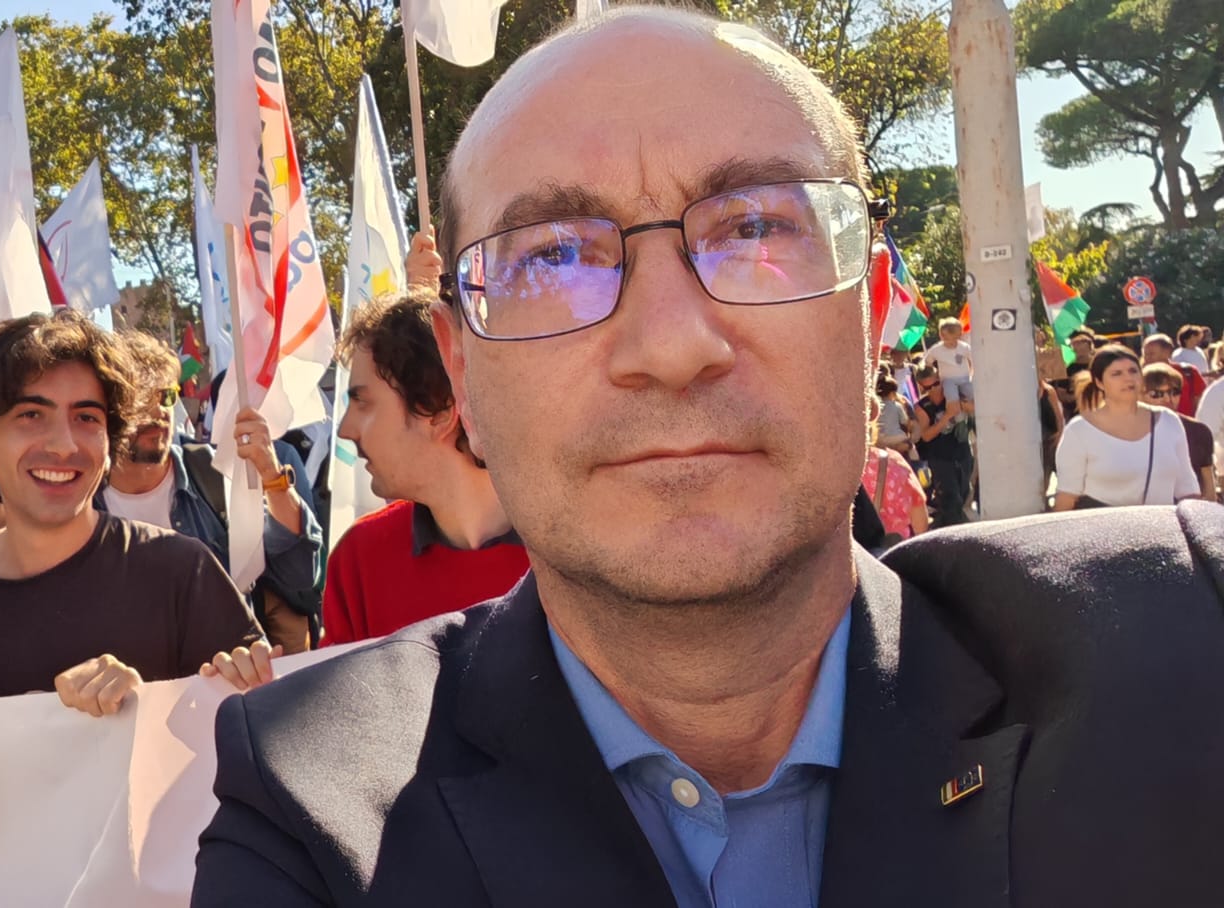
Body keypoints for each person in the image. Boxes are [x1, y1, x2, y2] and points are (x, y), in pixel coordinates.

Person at [194, 10, 1224, 906]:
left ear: (866, 312)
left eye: (753, 229)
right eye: (552, 256)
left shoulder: (1185, 634)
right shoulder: (308, 800)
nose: (670, 344)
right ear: (462, 375)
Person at [0, 310, 262, 717]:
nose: (64, 445)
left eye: (86, 417)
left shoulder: (182, 573)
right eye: (31, 415)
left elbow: (245, 739)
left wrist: (150, 711)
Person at [320, 289, 529, 647]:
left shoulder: (572, 547)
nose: (344, 429)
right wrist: (252, 682)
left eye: (362, 402)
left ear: (439, 409)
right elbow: (331, 701)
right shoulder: (360, 560)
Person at [100, 331, 323, 653]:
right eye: (139, 398)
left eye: (166, 396)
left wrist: (272, 478)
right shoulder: (82, 502)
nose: (158, 412)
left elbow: (299, 572)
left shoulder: (212, 476)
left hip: (227, 683)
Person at [1054, 345, 1201, 509]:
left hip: (1162, 530)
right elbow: (1067, 496)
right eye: (1116, 374)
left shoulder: (1168, 421)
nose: (1128, 379)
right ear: (1099, 382)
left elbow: (1187, 486)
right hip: (1104, 531)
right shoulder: (1079, 431)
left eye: (1133, 371)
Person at [911, 363, 975, 526]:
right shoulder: (922, 407)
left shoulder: (953, 396)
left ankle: (944, 525)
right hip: (940, 457)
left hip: (962, 452)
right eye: (927, 387)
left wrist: (963, 406)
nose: (933, 389)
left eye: (936, 384)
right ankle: (954, 530)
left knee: (963, 493)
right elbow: (926, 435)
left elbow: (975, 409)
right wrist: (947, 416)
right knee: (951, 498)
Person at [1142, 363, 1216, 501]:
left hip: (1189, 510)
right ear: (1139, 396)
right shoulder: (1128, 430)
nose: (1167, 399)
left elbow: (1209, 487)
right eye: (1156, 394)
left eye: (1174, 392)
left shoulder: (1198, 430)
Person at [1141, 332, 1206, 417]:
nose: (1146, 358)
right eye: (1145, 354)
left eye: (1151, 354)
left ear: (1167, 353)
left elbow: (1201, 401)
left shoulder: (1188, 372)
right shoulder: (1139, 376)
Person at [930, 316, 973, 419]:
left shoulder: (964, 347)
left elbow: (973, 360)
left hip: (964, 378)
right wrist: (934, 376)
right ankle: (954, 415)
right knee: (951, 395)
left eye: (951, 338)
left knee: (971, 394)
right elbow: (927, 362)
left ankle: (972, 415)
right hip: (947, 379)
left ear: (959, 335)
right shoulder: (937, 349)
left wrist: (972, 374)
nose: (948, 341)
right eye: (944, 338)